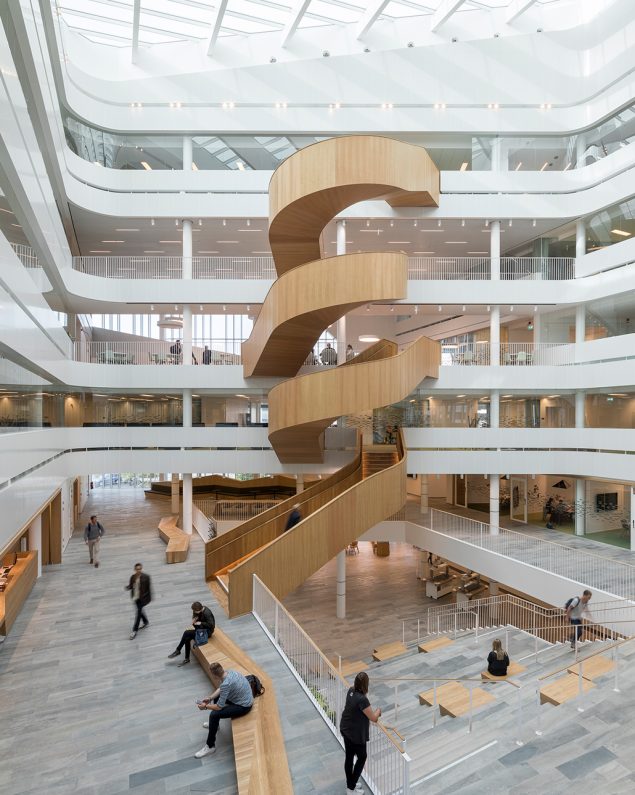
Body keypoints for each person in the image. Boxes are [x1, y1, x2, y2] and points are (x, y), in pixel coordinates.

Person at [194, 662, 254, 758]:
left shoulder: (226, 683)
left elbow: (218, 707)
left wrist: (205, 707)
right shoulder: (229, 672)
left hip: (244, 706)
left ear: (214, 675)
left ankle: (210, 746)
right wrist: (209, 698)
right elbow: (221, 689)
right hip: (244, 697)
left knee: (214, 714)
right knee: (216, 698)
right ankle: (215, 726)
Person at [340, 672, 381, 793]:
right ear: (366, 684)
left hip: (346, 728)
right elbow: (373, 718)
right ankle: (351, 788)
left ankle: (350, 785)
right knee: (362, 757)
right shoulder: (363, 700)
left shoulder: (351, 691)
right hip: (355, 735)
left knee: (349, 757)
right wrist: (378, 710)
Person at [168, 601, 215, 667]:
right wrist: (194, 620)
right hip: (200, 629)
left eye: (195, 611)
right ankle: (186, 658)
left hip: (207, 632)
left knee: (186, 633)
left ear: (199, 609)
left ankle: (178, 650)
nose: (194, 612)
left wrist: (201, 623)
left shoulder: (207, 613)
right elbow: (195, 616)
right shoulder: (197, 611)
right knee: (187, 638)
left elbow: (212, 625)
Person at [125, 562, 151, 639]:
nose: (138, 570)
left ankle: (134, 631)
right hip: (135, 597)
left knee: (138, 614)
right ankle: (146, 621)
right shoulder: (132, 577)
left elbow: (149, 589)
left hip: (142, 599)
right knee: (140, 611)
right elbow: (131, 585)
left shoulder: (146, 577)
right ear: (135, 569)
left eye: (140, 569)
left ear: (141, 569)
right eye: (137, 569)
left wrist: (147, 599)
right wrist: (128, 587)